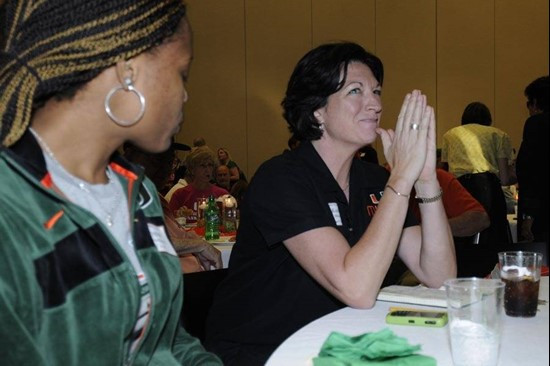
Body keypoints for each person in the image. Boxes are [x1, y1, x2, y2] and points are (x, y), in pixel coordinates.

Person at [205, 42, 455, 365]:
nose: (375, 105)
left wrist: (424, 179)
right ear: (317, 111)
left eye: (376, 92)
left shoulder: (376, 181)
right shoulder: (280, 178)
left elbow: (441, 276)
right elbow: (356, 288)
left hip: (337, 346)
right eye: (356, 91)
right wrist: (401, 180)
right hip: (260, 351)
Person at [0, 1, 221, 365]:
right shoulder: (13, 211)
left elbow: (166, 344)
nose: (185, 95)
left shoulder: (140, 194)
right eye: (182, 73)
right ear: (128, 71)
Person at [123, 144, 223, 273]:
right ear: (131, 156)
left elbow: (177, 233)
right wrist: (198, 245)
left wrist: (193, 239)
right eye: (157, 160)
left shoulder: (155, 196)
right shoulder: (121, 192)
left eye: (171, 161)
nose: (167, 169)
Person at [441, 102, 516, 246]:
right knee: (491, 237)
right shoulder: (498, 134)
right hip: (488, 188)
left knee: (459, 235)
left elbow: (444, 168)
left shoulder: (449, 135)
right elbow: (505, 179)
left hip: (458, 188)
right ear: (488, 119)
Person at [516, 76, 549, 243]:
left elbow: (530, 171)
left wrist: (528, 216)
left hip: (541, 211)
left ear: (536, 102)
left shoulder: (536, 124)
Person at [169, 146, 228, 222]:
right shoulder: (180, 194)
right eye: (202, 166)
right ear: (192, 169)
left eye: (210, 165)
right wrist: (178, 215)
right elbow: (168, 223)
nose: (207, 170)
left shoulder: (222, 195)